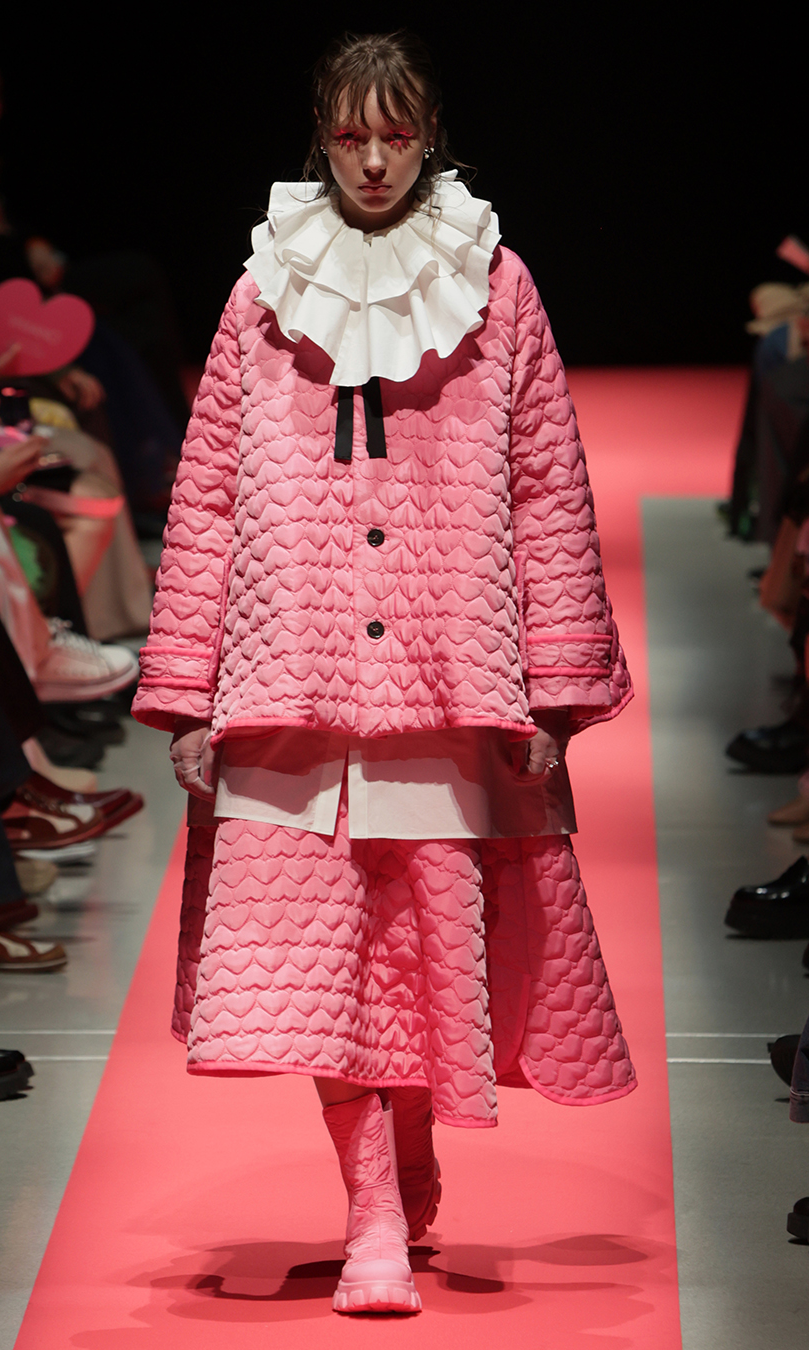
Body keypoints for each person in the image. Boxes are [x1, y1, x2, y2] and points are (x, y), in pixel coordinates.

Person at [133, 30, 635, 1317]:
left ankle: (403, 1164)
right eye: (350, 135)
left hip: (440, 673)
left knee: (421, 947)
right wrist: (186, 687)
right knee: (310, 960)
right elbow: (207, 495)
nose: (371, 160)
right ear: (320, 134)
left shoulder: (495, 283)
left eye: (394, 134)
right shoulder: (263, 291)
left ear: (430, 135)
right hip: (286, 672)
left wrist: (558, 681)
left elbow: (547, 485)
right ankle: (368, 1209)